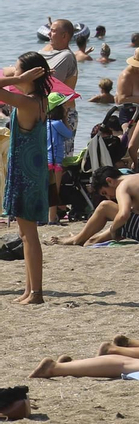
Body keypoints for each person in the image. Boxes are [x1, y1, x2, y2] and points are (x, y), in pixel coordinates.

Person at [1, 53, 52, 303]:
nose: (13, 72)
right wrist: (20, 76)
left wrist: (16, 79)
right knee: (26, 235)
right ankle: (30, 290)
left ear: (30, 74)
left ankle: (37, 293)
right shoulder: (42, 100)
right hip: (35, 172)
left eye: (18, 70)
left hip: (25, 175)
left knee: (29, 236)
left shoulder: (26, 102)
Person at [55, 167, 139, 244]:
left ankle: (77, 240)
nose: (109, 197)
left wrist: (113, 230)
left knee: (105, 207)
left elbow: (123, 215)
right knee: (117, 219)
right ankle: (90, 239)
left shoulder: (122, 186)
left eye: (105, 192)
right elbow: (130, 218)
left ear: (109, 181)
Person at [38, 18, 79, 160]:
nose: (49, 34)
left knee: (60, 160)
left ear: (64, 36)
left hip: (63, 115)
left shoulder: (66, 56)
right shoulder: (47, 51)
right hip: (47, 112)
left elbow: (50, 85)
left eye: (53, 31)